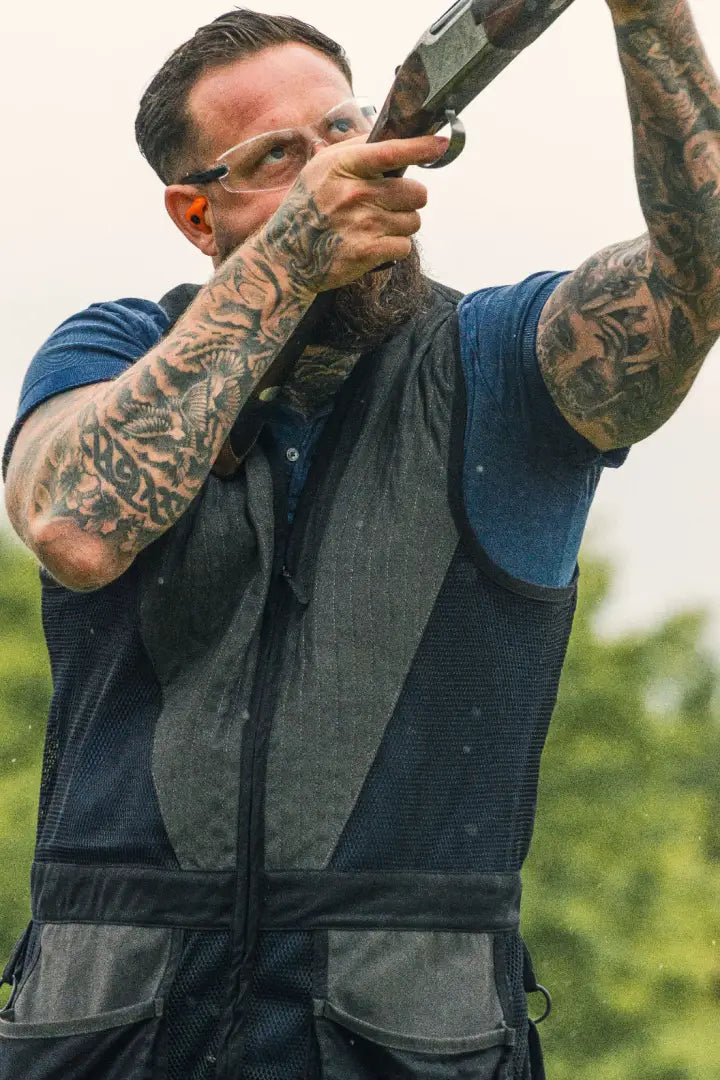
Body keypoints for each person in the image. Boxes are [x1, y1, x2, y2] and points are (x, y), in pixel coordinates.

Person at [1, 4, 719, 1078]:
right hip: (108, 1038)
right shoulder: (116, 347)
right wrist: (292, 261)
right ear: (197, 217)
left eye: (343, 129)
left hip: (408, 1047)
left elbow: (698, 271)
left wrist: (647, 11)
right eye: (276, 156)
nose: (330, 166)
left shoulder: (502, 364)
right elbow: (75, 526)